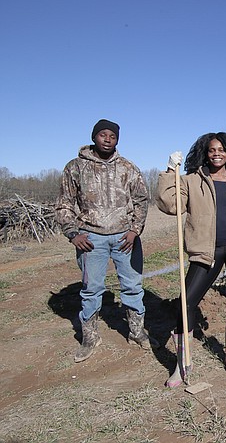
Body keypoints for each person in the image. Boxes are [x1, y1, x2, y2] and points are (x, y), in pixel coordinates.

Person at [156, 132, 226, 386]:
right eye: (211, 150)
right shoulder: (191, 181)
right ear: (204, 153)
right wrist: (167, 171)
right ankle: (182, 364)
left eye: (221, 149)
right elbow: (170, 205)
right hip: (207, 248)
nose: (216, 153)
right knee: (186, 302)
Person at [56, 119, 156, 363]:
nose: (108, 139)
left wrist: (134, 230)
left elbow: (142, 200)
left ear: (117, 139)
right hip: (91, 239)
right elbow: (64, 204)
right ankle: (90, 337)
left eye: (113, 135)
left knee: (132, 286)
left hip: (126, 238)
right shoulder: (75, 168)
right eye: (103, 134)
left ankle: (136, 331)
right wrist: (73, 233)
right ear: (94, 137)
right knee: (92, 289)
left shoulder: (128, 168)